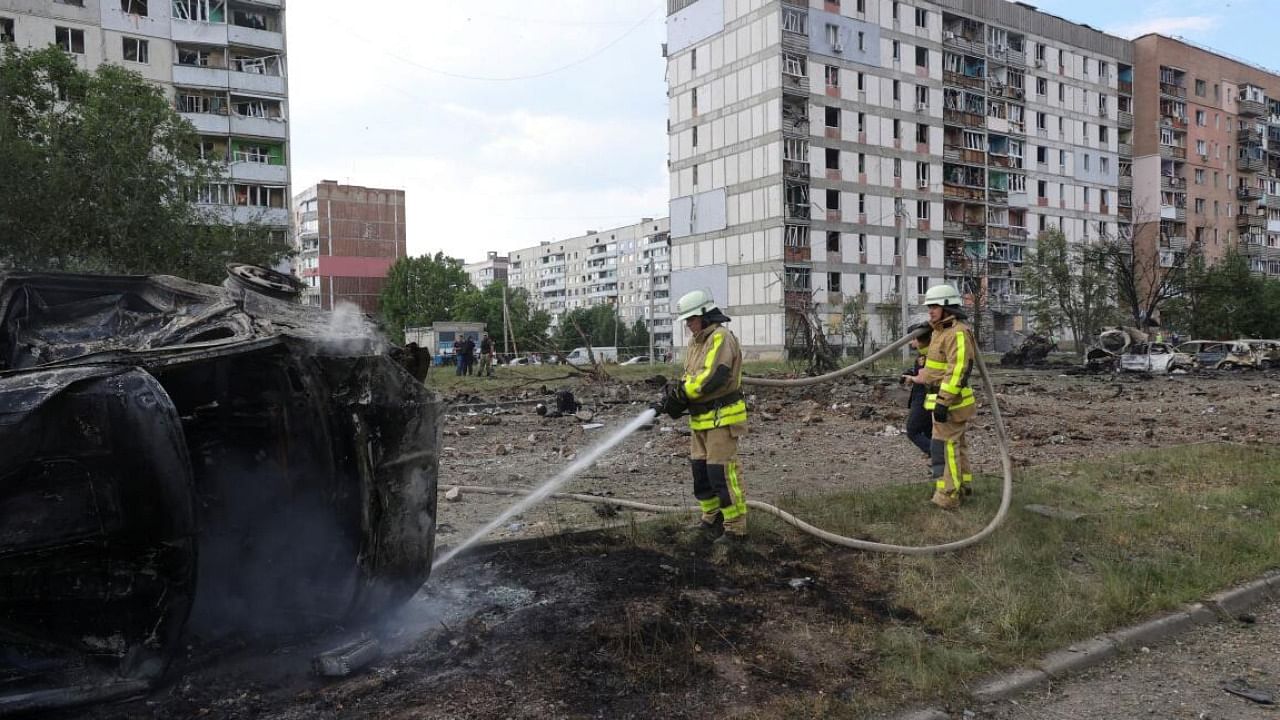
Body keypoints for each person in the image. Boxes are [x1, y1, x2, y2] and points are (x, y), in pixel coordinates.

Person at [651, 289, 748, 542]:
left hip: (722, 419)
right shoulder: (696, 343)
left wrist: (683, 393)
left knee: (721, 474)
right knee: (701, 475)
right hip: (700, 420)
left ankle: (736, 529)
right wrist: (673, 399)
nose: (689, 324)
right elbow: (691, 377)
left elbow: (713, 377)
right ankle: (711, 520)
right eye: (687, 320)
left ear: (706, 315)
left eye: (691, 319)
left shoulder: (720, 337)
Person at [904, 284, 977, 510]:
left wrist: (944, 402)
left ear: (947, 307)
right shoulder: (940, 332)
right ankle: (963, 487)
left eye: (934, 306)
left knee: (947, 448)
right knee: (957, 446)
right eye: (929, 307)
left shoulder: (957, 333)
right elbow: (935, 365)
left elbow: (958, 370)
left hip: (952, 402)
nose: (930, 311)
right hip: (940, 398)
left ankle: (948, 496)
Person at [900, 318, 933, 458]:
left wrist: (911, 378)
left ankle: (938, 454)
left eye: (911, 338)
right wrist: (911, 374)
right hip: (929, 398)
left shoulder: (926, 355)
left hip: (925, 398)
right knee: (928, 430)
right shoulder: (925, 353)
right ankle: (940, 463)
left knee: (912, 429)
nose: (909, 342)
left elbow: (924, 378)